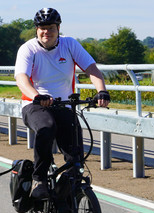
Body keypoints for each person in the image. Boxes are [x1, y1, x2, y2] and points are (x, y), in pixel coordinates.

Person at [14, 8, 110, 199]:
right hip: (34, 104)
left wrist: (102, 90)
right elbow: (21, 78)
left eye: (50, 28)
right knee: (46, 127)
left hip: (63, 104)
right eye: (41, 28)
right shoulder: (28, 49)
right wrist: (36, 96)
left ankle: (69, 193)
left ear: (58, 28)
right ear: (36, 29)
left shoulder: (69, 44)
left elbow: (91, 68)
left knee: (75, 152)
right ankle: (38, 179)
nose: (45, 32)